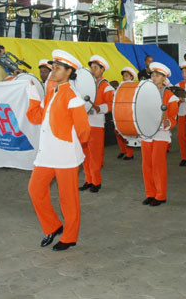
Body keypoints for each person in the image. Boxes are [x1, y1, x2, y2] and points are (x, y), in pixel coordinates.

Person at [27, 49, 90, 251]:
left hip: (64, 155)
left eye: (57, 68)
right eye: (52, 67)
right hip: (46, 154)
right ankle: (53, 225)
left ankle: (70, 236)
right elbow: (36, 118)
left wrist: (68, 145)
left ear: (69, 72)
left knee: (68, 198)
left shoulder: (73, 97)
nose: (52, 70)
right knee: (35, 189)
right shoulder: (53, 92)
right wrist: (31, 95)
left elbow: (84, 131)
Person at [141, 62, 179, 207]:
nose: (154, 77)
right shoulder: (144, 93)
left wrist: (165, 121)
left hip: (161, 134)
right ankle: (150, 193)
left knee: (157, 164)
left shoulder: (171, 97)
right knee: (146, 165)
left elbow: (173, 119)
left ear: (164, 78)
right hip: (146, 132)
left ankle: (160, 195)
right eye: (152, 74)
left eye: (157, 75)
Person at [79, 55, 114, 193]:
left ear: (102, 70)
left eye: (95, 68)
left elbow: (110, 104)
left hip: (97, 124)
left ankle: (96, 181)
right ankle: (88, 179)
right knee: (85, 154)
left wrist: (100, 108)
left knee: (94, 155)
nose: (92, 70)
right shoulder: (87, 84)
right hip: (84, 123)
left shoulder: (106, 86)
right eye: (91, 67)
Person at [115, 66, 138, 160]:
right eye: (124, 76)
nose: (125, 78)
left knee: (128, 133)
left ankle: (129, 154)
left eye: (127, 76)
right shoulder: (120, 86)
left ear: (131, 77)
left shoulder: (135, 86)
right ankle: (122, 150)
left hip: (129, 113)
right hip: (120, 111)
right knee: (118, 132)